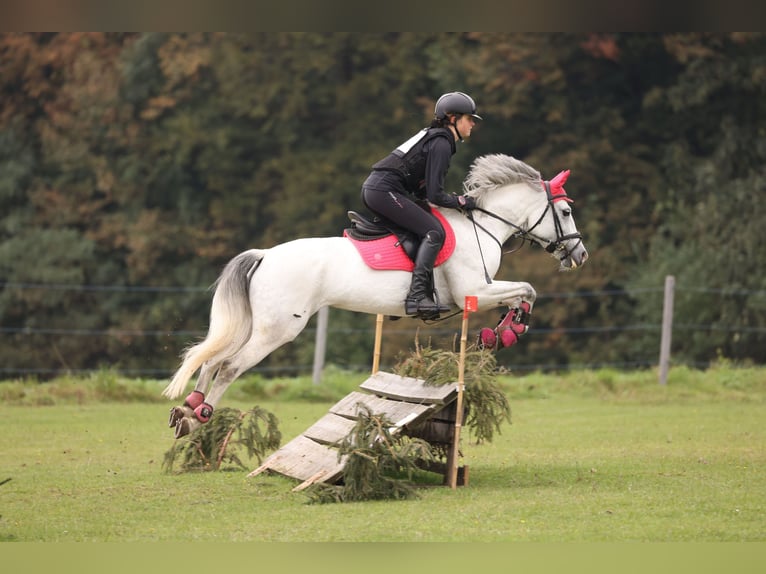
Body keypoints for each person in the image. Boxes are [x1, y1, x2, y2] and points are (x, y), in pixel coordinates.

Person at [361, 91, 481, 319]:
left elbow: (423, 190)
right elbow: (435, 195)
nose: (473, 123)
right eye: (469, 118)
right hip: (384, 191)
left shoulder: (435, 138)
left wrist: (451, 200)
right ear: (452, 118)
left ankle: (397, 292)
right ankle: (416, 296)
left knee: (420, 227)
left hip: (377, 190)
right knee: (434, 231)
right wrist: (461, 201)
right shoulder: (442, 143)